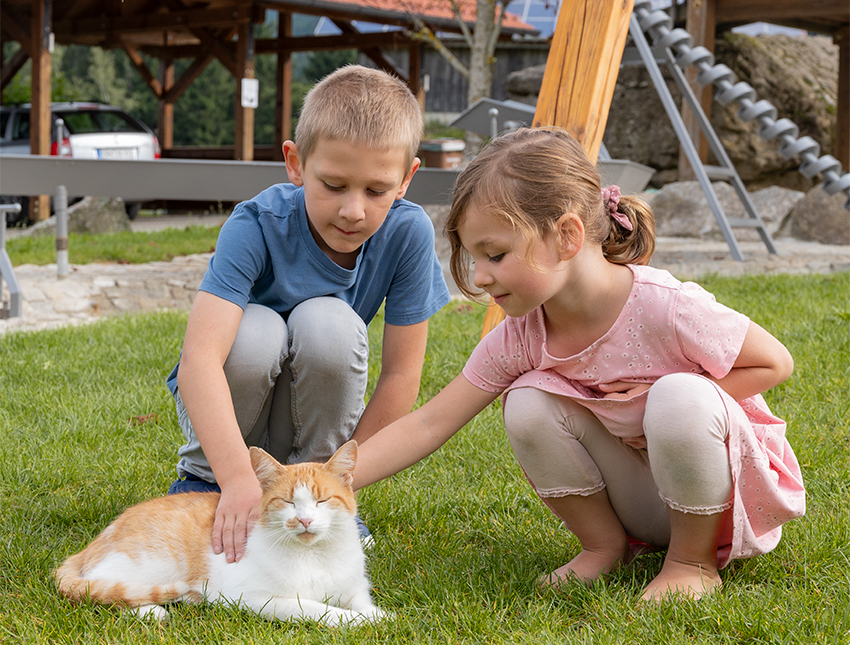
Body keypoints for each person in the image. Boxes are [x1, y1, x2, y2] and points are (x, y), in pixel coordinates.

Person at [352, 127, 805, 602]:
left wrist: (658, 401)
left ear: (567, 235)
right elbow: (429, 423)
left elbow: (775, 363)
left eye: (496, 254)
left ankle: (691, 563)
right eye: (473, 257)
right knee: (526, 400)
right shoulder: (522, 334)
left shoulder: (665, 305)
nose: (481, 276)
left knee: (679, 396)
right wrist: (325, 478)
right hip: (641, 501)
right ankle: (603, 546)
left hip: (717, 504)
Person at [166, 65, 451, 564]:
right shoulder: (255, 224)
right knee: (257, 329)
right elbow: (199, 362)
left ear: (407, 179)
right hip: (235, 428)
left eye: (376, 191)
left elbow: (403, 376)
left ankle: (312, 499)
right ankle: (201, 482)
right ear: (296, 164)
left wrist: (336, 485)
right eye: (334, 185)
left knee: (329, 322)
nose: (353, 211)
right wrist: (235, 479)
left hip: (318, 442)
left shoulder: (408, 233)